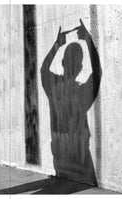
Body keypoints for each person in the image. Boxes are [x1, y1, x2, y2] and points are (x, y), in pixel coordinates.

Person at [41, 19, 102, 185]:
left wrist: (58, 43)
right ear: (82, 66)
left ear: (61, 63)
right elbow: (97, 72)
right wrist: (85, 38)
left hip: (59, 156)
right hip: (82, 157)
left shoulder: (54, 89)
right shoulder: (81, 91)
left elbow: (43, 69)